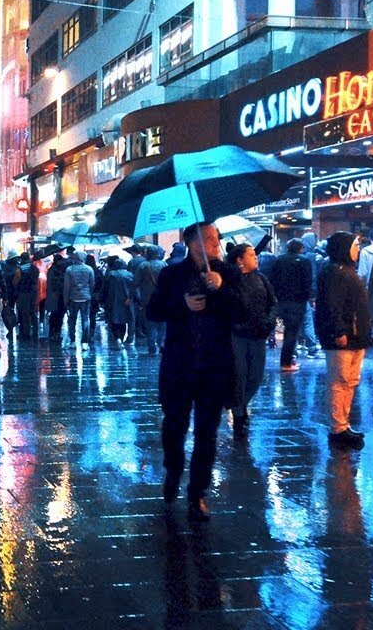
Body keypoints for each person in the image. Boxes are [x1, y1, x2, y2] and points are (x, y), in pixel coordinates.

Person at [147, 221, 235, 521]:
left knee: (206, 434)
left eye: (216, 238)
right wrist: (181, 304)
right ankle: (173, 470)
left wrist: (221, 289)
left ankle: (197, 493)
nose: (215, 243)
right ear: (192, 242)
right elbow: (153, 311)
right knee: (174, 427)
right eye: (208, 238)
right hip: (179, 367)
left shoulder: (227, 273)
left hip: (214, 368)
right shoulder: (172, 274)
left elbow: (243, 312)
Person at [316, 231, 372, 450]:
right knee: (340, 382)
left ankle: (343, 424)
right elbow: (332, 305)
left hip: (356, 335)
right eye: (355, 245)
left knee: (349, 381)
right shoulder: (335, 272)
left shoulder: (345, 270)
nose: (357, 249)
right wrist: (339, 331)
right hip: (344, 337)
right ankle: (338, 427)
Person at [225, 242, 275, 440]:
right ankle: (238, 414)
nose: (256, 258)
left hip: (258, 335)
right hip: (237, 336)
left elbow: (273, 303)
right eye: (251, 254)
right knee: (240, 376)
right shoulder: (230, 281)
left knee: (256, 376)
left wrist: (269, 321)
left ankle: (240, 405)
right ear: (240, 259)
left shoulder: (261, 278)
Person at [269, 238, 313, 372]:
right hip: (298, 301)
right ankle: (286, 362)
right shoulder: (304, 260)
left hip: (282, 300)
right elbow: (307, 281)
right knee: (292, 331)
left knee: (289, 330)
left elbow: (273, 279)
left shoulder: (279, 259)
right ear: (301, 248)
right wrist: (307, 298)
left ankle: (288, 360)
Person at [62, 250, 95, 348]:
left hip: (73, 298)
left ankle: (72, 341)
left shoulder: (69, 269)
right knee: (85, 319)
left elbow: (66, 286)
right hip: (86, 298)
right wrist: (89, 293)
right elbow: (92, 284)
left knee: (72, 320)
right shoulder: (89, 269)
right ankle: (84, 342)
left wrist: (65, 299)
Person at [102, 257, 135, 345]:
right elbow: (134, 289)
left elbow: (104, 289)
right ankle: (122, 337)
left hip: (112, 300)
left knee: (113, 320)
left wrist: (101, 300)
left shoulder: (110, 274)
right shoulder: (130, 275)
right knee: (124, 320)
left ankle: (117, 337)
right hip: (126, 301)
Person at [141, 247, 168, 354]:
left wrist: (132, 296)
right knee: (163, 324)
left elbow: (135, 282)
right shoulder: (164, 265)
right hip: (164, 299)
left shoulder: (143, 266)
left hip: (148, 300)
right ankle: (162, 344)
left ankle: (152, 348)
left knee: (150, 325)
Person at [14, 253, 39, 341]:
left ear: (21, 259)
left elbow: (15, 282)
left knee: (25, 313)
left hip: (24, 293)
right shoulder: (35, 268)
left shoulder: (19, 269)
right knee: (33, 313)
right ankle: (35, 332)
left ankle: (26, 333)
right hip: (34, 293)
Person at [46, 251, 67, 341]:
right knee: (60, 315)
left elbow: (50, 283)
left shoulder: (51, 269)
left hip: (54, 295)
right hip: (63, 295)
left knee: (54, 314)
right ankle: (57, 333)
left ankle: (51, 333)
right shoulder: (65, 269)